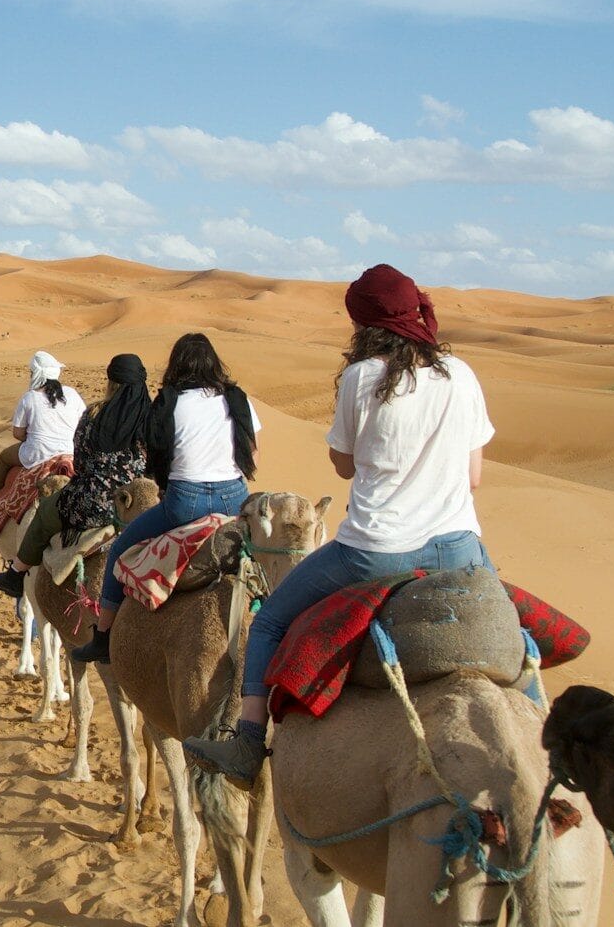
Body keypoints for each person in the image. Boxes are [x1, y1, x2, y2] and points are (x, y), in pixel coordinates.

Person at [183, 264, 495, 787]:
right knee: (514, 630)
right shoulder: (461, 375)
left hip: (374, 550)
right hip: (457, 547)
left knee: (270, 623)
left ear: (363, 325)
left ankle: (247, 742)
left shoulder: (362, 377)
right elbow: (475, 477)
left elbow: (343, 466)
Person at [70, 333, 261, 662]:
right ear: (214, 363)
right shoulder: (237, 398)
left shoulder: (169, 402)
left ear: (176, 365)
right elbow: (252, 451)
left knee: (119, 549)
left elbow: (158, 460)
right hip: (235, 498)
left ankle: (102, 637)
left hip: (185, 501)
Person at [0, 353, 153, 597]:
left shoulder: (95, 415)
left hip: (97, 503)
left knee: (44, 514)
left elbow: (80, 460)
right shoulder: (154, 419)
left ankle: (15, 575)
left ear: (110, 383)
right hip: (140, 504)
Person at [0, 350, 86, 518]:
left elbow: (17, 433)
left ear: (37, 374)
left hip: (38, 453)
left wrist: (32, 437)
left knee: (4, 457)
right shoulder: (72, 394)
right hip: (70, 451)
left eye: (31, 372)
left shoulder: (29, 397)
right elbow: (83, 422)